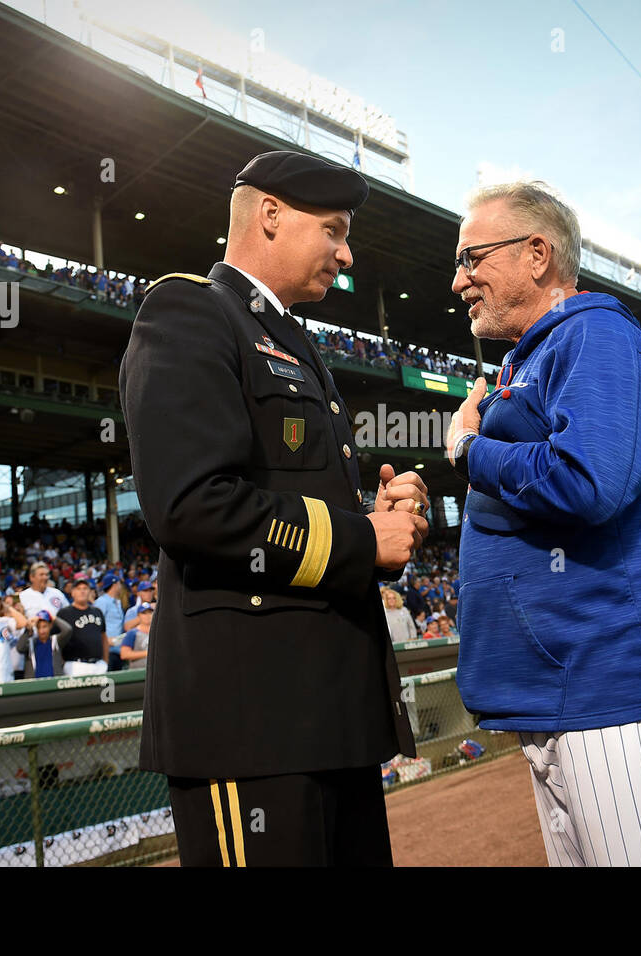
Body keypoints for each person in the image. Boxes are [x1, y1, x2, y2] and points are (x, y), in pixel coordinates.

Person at [119, 149, 426, 867]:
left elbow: (290, 497)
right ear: (269, 215)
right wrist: (360, 540)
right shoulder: (190, 308)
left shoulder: (295, 342)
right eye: (333, 230)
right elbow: (191, 505)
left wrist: (376, 518)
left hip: (329, 715)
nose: (345, 255)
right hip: (251, 721)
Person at [446, 180, 641, 867]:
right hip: (560, 693)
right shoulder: (532, 355)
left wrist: (471, 451)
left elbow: (588, 483)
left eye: (472, 258)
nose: (458, 281)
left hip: (611, 686)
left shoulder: (595, 333)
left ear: (537, 254)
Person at [55, 576, 109, 676]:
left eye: (85, 588)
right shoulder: (64, 613)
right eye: (79, 589)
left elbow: (104, 637)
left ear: (89, 592)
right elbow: (56, 641)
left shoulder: (97, 612)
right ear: (73, 593)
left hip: (98, 664)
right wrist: (61, 663)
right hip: (75, 665)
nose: (82, 591)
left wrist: (106, 661)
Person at [17, 610, 62, 679]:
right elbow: (20, 648)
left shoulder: (55, 641)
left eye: (44, 626)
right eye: (38, 627)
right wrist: (28, 629)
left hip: (54, 683)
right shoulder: (32, 643)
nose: (42, 631)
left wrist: (51, 617)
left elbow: (68, 630)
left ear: (50, 625)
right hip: (35, 686)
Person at [119, 602, 154, 669]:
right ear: (138, 616)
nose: (148, 615)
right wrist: (148, 653)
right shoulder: (132, 633)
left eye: (150, 612)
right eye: (144, 613)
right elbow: (124, 654)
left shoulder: (157, 633)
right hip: (137, 671)